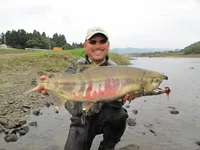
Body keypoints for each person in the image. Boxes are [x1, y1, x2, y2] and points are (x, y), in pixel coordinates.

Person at [38, 26, 134, 150]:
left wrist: (120, 98)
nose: (98, 46)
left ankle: (107, 146)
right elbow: (71, 107)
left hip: (105, 116)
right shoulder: (75, 66)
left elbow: (115, 107)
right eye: (93, 42)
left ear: (108, 45)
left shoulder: (115, 69)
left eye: (102, 41)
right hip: (82, 119)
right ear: (85, 45)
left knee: (120, 116)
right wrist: (53, 92)